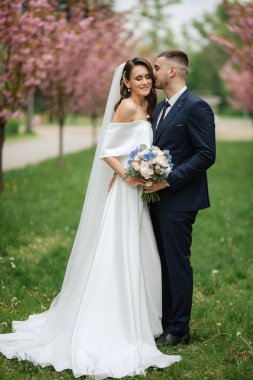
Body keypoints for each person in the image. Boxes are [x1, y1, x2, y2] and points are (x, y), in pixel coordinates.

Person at [0, 58, 181, 379]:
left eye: (146, 78)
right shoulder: (126, 107)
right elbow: (107, 151)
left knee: (140, 251)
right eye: (137, 78)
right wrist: (129, 174)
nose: (144, 82)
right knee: (118, 252)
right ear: (125, 83)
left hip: (139, 193)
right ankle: (111, 318)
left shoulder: (148, 106)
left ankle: (142, 317)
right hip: (126, 192)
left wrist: (149, 170)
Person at [145, 50, 216, 345]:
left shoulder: (197, 107)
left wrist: (167, 181)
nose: (153, 73)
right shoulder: (160, 107)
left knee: (176, 263)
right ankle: (162, 321)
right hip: (155, 201)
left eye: (157, 67)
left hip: (180, 200)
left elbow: (206, 154)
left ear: (173, 71)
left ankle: (178, 330)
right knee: (159, 262)